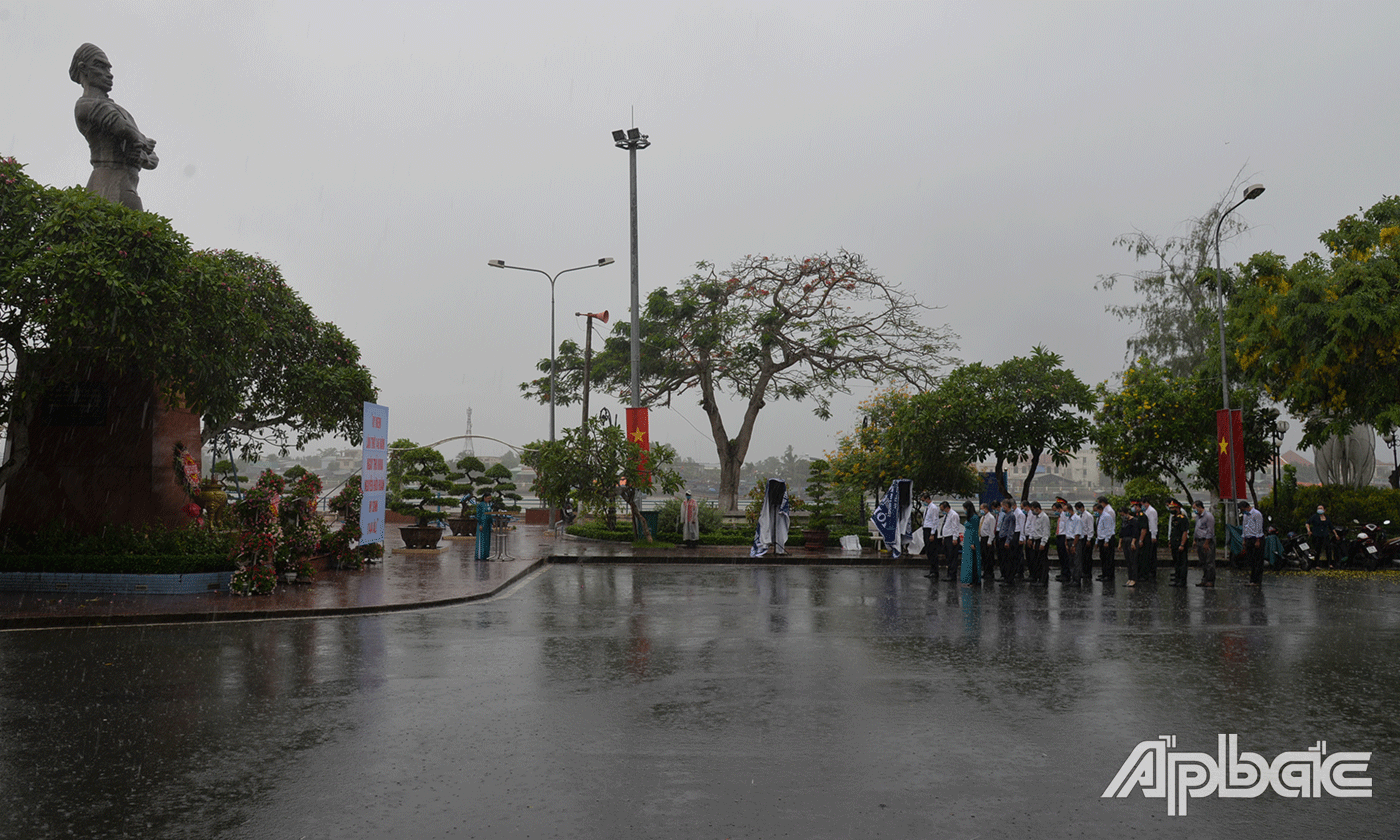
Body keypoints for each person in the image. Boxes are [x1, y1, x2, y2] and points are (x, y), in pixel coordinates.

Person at [70, 43, 159, 211]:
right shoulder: (85, 105)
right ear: (84, 69)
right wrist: (141, 142)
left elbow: (152, 159)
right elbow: (120, 127)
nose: (108, 74)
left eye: (109, 69)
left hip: (126, 186)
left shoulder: (121, 111)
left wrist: (139, 155)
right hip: (105, 185)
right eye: (101, 67)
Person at [1167, 499, 1191, 587]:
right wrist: (1170, 541)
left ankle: (1182, 580)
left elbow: (1185, 532)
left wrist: (1182, 544)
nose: (1171, 509)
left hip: (1180, 543)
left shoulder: (1182, 518)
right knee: (1176, 562)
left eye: (1172, 508)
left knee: (1182, 563)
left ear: (1177, 508)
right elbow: (1173, 531)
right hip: (1174, 543)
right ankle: (1177, 579)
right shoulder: (1174, 518)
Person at [1306, 503, 1338, 568]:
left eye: (1321, 508)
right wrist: (1309, 530)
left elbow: (1331, 527)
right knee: (1318, 550)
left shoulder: (1327, 518)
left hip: (1325, 535)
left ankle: (1329, 564)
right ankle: (1317, 564)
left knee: (1328, 549)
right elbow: (1307, 523)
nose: (1319, 510)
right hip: (1317, 535)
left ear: (1324, 510)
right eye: (1318, 508)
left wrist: (1336, 534)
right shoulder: (1314, 517)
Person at [1025, 501, 1050, 585]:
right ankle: (1039, 578)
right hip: (1036, 540)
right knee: (1037, 561)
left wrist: (1043, 543)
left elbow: (1046, 531)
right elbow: (1034, 529)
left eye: (1033, 510)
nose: (1032, 512)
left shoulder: (1044, 517)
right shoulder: (1035, 517)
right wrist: (1031, 539)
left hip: (1042, 540)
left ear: (1037, 509)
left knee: (1043, 561)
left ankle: (1043, 580)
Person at [1241, 500, 1266, 585]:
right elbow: (1244, 527)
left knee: (1257, 560)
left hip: (1256, 538)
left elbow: (1259, 527)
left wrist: (1258, 540)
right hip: (1248, 538)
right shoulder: (1245, 515)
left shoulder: (1256, 514)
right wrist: (1244, 539)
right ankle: (1252, 579)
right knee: (1251, 560)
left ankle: (1257, 580)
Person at [1193, 500, 1216, 587]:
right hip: (1199, 540)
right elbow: (1197, 529)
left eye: (1195, 508)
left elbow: (1210, 531)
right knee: (1202, 562)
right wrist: (1195, 540)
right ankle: (1204, 579)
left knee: (1209, 561)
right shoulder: (1197, 517)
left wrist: (1207, 543)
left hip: (1207, 541)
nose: (1194, 510)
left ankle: (1210, 580)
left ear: (1200, 507)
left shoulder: (1208, 516)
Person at [998, 498, 1020, 585]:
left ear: (1006, 506)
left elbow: (1011, 530)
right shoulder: (1006, 515)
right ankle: (1006, 577)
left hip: (1007, 540)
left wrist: (1007, 541)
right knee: (1004, 559)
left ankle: (1009, 579)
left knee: (1008, 561)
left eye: (1003, 506)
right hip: (1002, 538)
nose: (1002, 508)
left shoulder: (1011, 516)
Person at [959, 501, 982, 585]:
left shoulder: (975, 518)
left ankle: (975, 579)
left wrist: (973, 543)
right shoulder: (970, 517)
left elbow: (975, 531)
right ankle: (968, 578)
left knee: (973, 561)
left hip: (972, 540)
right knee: (968, 560)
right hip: (967, 540)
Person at [938, 501, 962, 581]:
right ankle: (949, 573)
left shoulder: (954, 515)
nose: (942, 511)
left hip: (952, 537)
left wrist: (955, 538)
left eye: (942, 509)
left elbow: (955, 527)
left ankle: (952, 575)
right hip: (947, 537)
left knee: (952, 557)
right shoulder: (947, 515)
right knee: (948, 557)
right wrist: (943, 537)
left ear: (947, 508)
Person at [1096, 496, 1117, 583]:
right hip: (1102, 537)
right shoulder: (1103, 513)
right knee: (1103, 558)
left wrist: (1106, 540)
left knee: (1108, 558)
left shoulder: (1109, 512)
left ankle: (1109, 575)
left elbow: (1109, 528)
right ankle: (1105, 573)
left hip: (1107, 537)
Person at [921, 492, 942, 579]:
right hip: (926, 529)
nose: (922, 502)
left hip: (930, 530)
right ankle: (932, 570)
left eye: (923, 500)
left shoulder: (933, 508)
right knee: (928, 551)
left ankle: (935, 571)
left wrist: (932, 533)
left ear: (927, 499)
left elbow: (935, 521)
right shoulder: (927, 508)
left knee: (932, 551)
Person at [979, 502, 998, 582]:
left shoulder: (991, 518)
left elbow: (992, 530)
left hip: (988, 539)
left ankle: (990, 573)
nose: (981, 510)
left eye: (981, 509)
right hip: (982, 538)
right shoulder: (982, 517)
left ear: (986, 509)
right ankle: (985, 572)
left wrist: (990, 540)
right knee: (984, 556)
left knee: (989, 557)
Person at [474, 490, 494, 560]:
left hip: (488, 525)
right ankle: (480, 556)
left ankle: (486, 555)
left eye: (490, 498)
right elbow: (479, 515)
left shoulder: (489, 505)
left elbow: (490, 514)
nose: (489, 500)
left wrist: (492, 522)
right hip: (482, 524)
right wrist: (480, 524)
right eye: (488, 498)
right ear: (484, 497)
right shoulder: (480, 505)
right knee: (481, 540)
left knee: (487, 540)